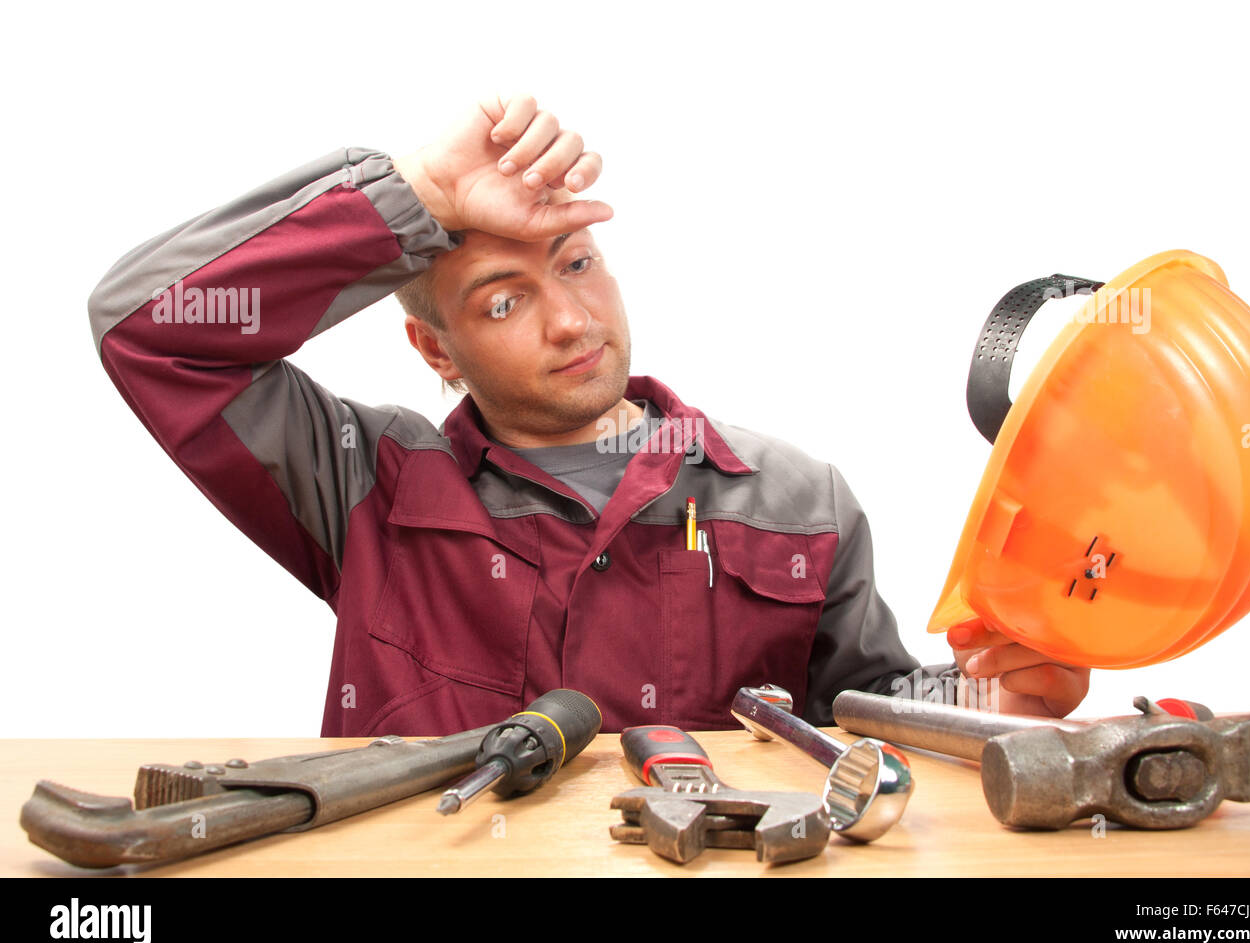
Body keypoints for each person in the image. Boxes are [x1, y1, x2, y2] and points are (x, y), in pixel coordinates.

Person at [88, 94, 1089, 736]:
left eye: (574, 264)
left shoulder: (792, 497)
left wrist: (988, 699)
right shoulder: (364, 486)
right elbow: (150, 332)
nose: (570, 319)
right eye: (501, 300)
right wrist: (416, 193)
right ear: (435, 349)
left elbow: (864, 717)